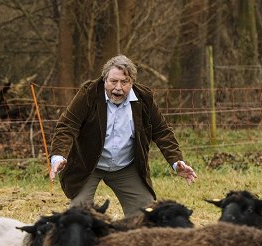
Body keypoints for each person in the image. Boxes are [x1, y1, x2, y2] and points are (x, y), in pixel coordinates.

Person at [49, 54, 197, 217]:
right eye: (113, 81)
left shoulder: (144, 99)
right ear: (104, 79)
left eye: (124, 82)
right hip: (89, 165)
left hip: (125, 166)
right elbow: (67, 125)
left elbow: (162, 131)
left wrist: (177, 162)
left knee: (145, 214)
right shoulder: (88, 94)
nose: (118, 88)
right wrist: (58, 156)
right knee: (79, 216)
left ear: (132, 82)